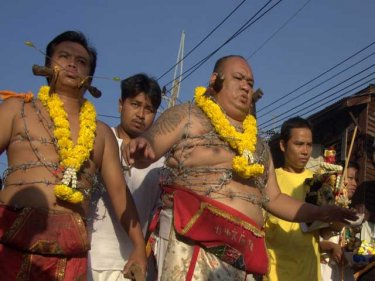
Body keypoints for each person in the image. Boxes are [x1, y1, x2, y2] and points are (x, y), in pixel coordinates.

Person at [124, 55, 358, 280]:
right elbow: (151, 144)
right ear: (214, 80)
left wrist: (323, 212)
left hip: (243, 254)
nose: (246, 86)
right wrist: (144, 145)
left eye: (250, 82)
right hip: (191, 239)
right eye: (238, 78)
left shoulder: (258, 145)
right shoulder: (188, 115)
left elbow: (274, 198)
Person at [0, 31, 146, 280]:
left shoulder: (100, 133)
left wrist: (139, 248)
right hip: (9, 244)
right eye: (64, 56)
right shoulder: (17, 108)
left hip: (70, 254)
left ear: (90, 76)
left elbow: (120, 194)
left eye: (81, 62)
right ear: (47, 65)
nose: (72, 64)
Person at [88, 73, 163, 281]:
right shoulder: (99, 140)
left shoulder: (158, 160)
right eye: (135, 104)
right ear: (121, 105)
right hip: (93, 258)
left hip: (135, 266)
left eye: (149, 109)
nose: (140, 114)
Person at [265, 116, 321, 281]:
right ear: (283, 145)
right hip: (276, 275)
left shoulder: (319, 181)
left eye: (309, 145)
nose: (305, 151)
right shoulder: (270, 181)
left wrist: (339, 216)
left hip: (311, 275)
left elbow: (323, 230)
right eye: (299, 144)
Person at [320, 161, 360, 281]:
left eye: (356, 179)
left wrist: (353, 249)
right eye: (351, 178)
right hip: (324, 272)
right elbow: (309, 240)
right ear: (338, 178)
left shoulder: (350, 210)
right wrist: (331, 246)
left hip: (343, 274)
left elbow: (347, 243)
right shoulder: (324, 205)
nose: (355, 184)